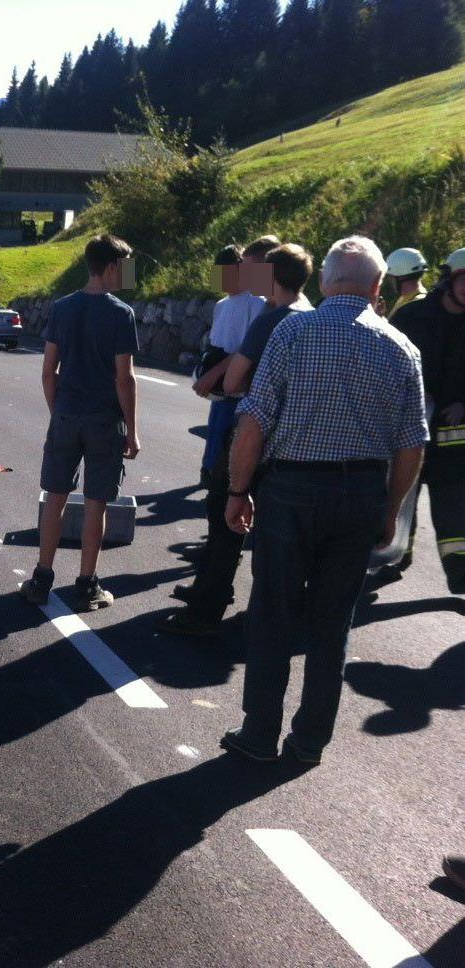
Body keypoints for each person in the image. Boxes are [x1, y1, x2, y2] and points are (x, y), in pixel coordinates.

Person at [220, 236, 427, 765]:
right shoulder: (401, 348)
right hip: (360, 495)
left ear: (324, 281)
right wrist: (389, 509)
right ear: (378, 286)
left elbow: (253, 422)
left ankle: (259, 733)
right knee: (332, 623)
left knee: (273, 613)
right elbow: (411, 445)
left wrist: (238, 491)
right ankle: (309, 740)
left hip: (291, 490)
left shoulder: (293, 331)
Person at [160, 244, 314, 636]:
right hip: (293, 438)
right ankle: (261, 609)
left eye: (253, 269)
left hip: (254, 426)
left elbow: (232, 381)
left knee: (225, 513)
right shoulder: (311, 315)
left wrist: (225, 378)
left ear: (271, 274)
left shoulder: (271, 319)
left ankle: (206, 609)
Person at [21, 234, 140, 612]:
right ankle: (87, 585)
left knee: (54, 498)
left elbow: (47, 372)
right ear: (109, 268)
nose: (128, 274)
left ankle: (41, 578)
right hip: (104, 421)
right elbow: (125, 379)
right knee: (95, 504)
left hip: (66, 416)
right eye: (125, 267)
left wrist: (59, 412)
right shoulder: (121, 313)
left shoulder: (62, 308)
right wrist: (132, 431)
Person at [390, 247, 465, 593]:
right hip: (411, 427)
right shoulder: (412, 317)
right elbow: (385, 362)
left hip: (455, 442)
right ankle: (395, 554)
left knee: (454, 513)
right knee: (400, 494)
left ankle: (461, 577)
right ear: (449, 279)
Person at [194, 237, 278, 482]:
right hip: (220, 391)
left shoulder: (257, 302)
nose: (219, 278)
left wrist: (215, 373)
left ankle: (225, 484)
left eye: (225, 272)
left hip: (242, 391)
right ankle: (209, 473)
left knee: (230, 446)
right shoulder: (221, 305)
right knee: (215, 436)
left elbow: (248, 348)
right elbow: (217, 346)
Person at [386, 247, 430, 321]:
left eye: (390, 277)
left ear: (399, 277)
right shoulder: (406, 298)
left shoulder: (416, 306)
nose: (390, 280)